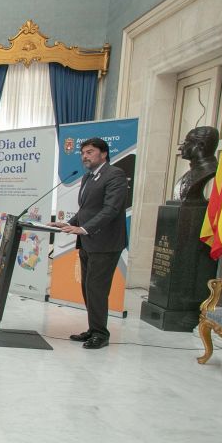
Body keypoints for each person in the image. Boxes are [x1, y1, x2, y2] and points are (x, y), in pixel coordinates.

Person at [49, 137, 129, 350]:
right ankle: (94, 329)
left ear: (104, 154)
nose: (84, 156)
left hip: (105, 243)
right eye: (83, 153)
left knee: (97, 289)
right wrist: (68, 224)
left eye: (90, 152)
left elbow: (111, 209)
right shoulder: (87, 177)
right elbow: (86, 210)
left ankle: (101, 334)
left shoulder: (115, 175)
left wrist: (84, 229)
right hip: (87, 242)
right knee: (88, 288)